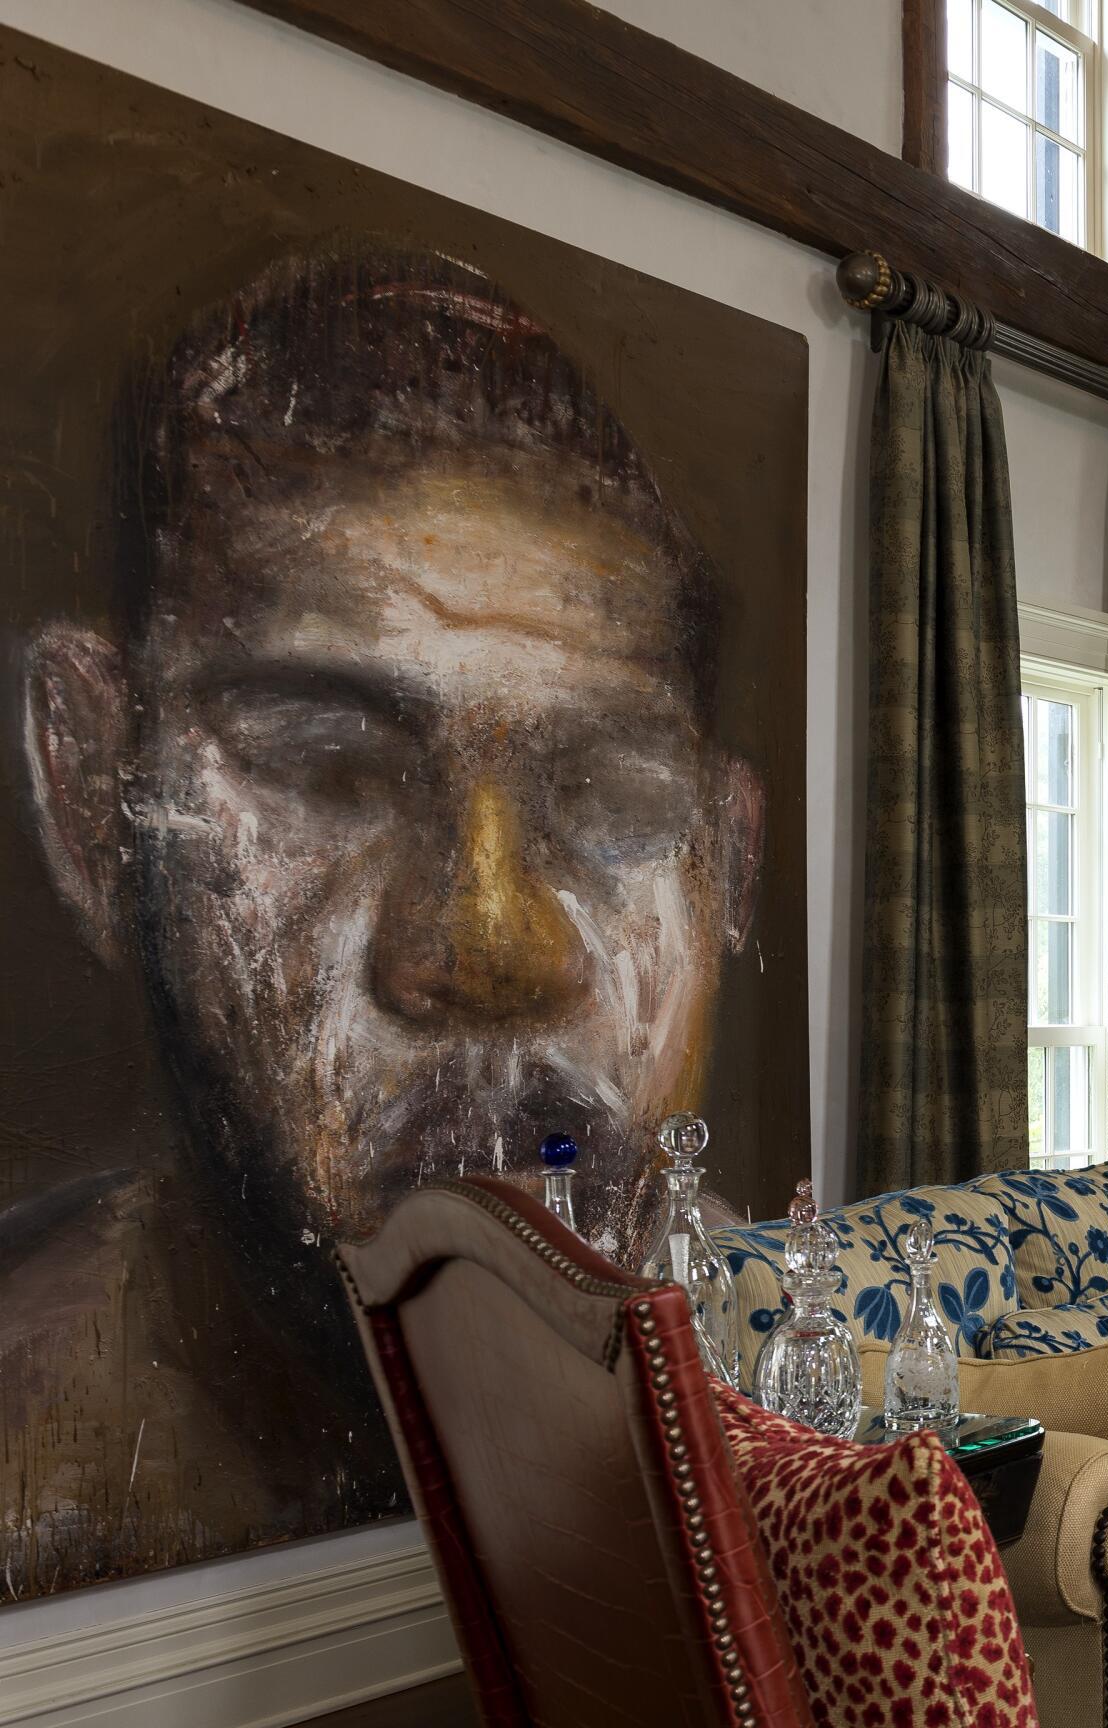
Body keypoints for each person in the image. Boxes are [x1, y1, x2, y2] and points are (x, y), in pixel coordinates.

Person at [2, 248, 763, 1591]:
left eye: (605, 795)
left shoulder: (784, 1356)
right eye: (330, 767)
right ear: (89, 791)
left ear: (732, 870)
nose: (485, 947)